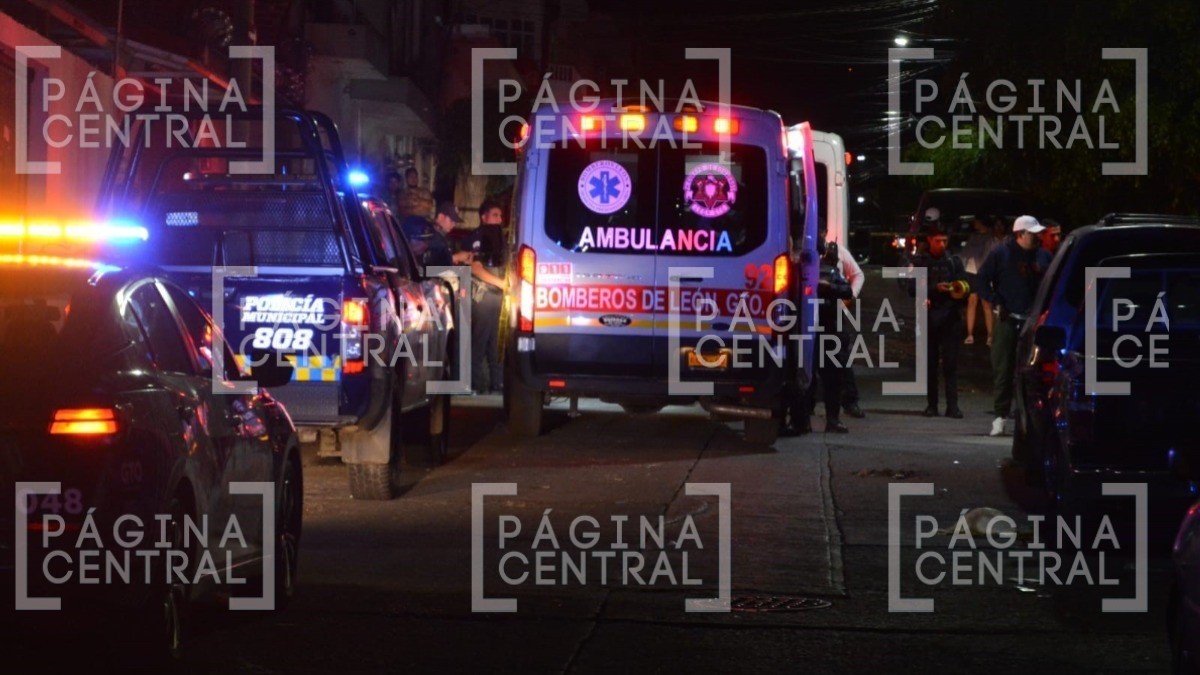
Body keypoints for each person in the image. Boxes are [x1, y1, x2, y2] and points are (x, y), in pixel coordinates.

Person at [977, 215, 1053, 437]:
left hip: (1034, 324)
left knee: (1035, 372)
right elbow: (981, 281)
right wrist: (996, 300)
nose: (1037, 238)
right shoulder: (1001, 254)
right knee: (1003, 369)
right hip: (1008, 320)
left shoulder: (1044, 256)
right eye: (1033, 234)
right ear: (1020, 234)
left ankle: (1032, 418)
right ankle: (1000, 416)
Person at [784, 239, 854, 435]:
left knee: (832, 379)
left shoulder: (829, 272)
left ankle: (832, 420)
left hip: (828, 331)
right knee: (804, 379)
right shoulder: (797, 272)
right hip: (806, 332)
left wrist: (828, 287)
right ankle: (801, 421)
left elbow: (847, 290)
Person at [908, 226, 970, 418]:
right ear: (929, 240)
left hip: (950, 319)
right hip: (929, 318)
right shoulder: (920, 262)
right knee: (930, 364)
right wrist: (935, 289)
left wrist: (956, 291)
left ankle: (953, 406)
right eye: (938, 241)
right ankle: (932, 405)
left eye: (944, 240)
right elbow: (912, 289)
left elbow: (965, 288)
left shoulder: (954, 262)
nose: (942, 245)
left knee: (950, 365)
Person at [464, 201, 507, 393]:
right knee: (479, 341)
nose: (500, 219)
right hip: (485, 296)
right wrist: (502, 284)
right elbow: (476, 267)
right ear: (484, 217)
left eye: (500, 216)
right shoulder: (479, 237)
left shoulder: (499, 237)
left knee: (497, 342)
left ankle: (496, 383)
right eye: (495, 215)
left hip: (499, 296)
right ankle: (472, 383)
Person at [832, 234, 867, 419]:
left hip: (834, 314)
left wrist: (850, 297)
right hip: (809, 313)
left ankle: (850, 401)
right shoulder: (804, 251)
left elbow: (858, 275)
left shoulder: (837, 251)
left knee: (842, 360)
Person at [960, 217, 998, 346]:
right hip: (970, 271)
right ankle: (969, 334)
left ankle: (990, 335)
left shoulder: (990, 237)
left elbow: (989, 255)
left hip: (984, 272)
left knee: (986, 303)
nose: (975, 223)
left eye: (977, 221)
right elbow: (965, 253)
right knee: (972, 301)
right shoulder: (973, 236)